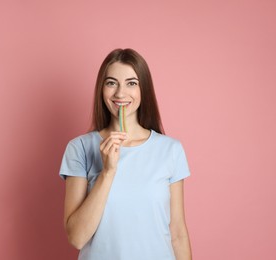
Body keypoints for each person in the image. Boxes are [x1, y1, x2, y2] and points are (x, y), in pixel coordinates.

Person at [59, 48, 192, 260]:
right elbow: (77, 237)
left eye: (132, 83)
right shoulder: (80, 148)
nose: (120, 93)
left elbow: (178, 234)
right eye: (112, 83)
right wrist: (107, 172)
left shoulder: (171, 150)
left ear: (144, 90)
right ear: (102, 89)